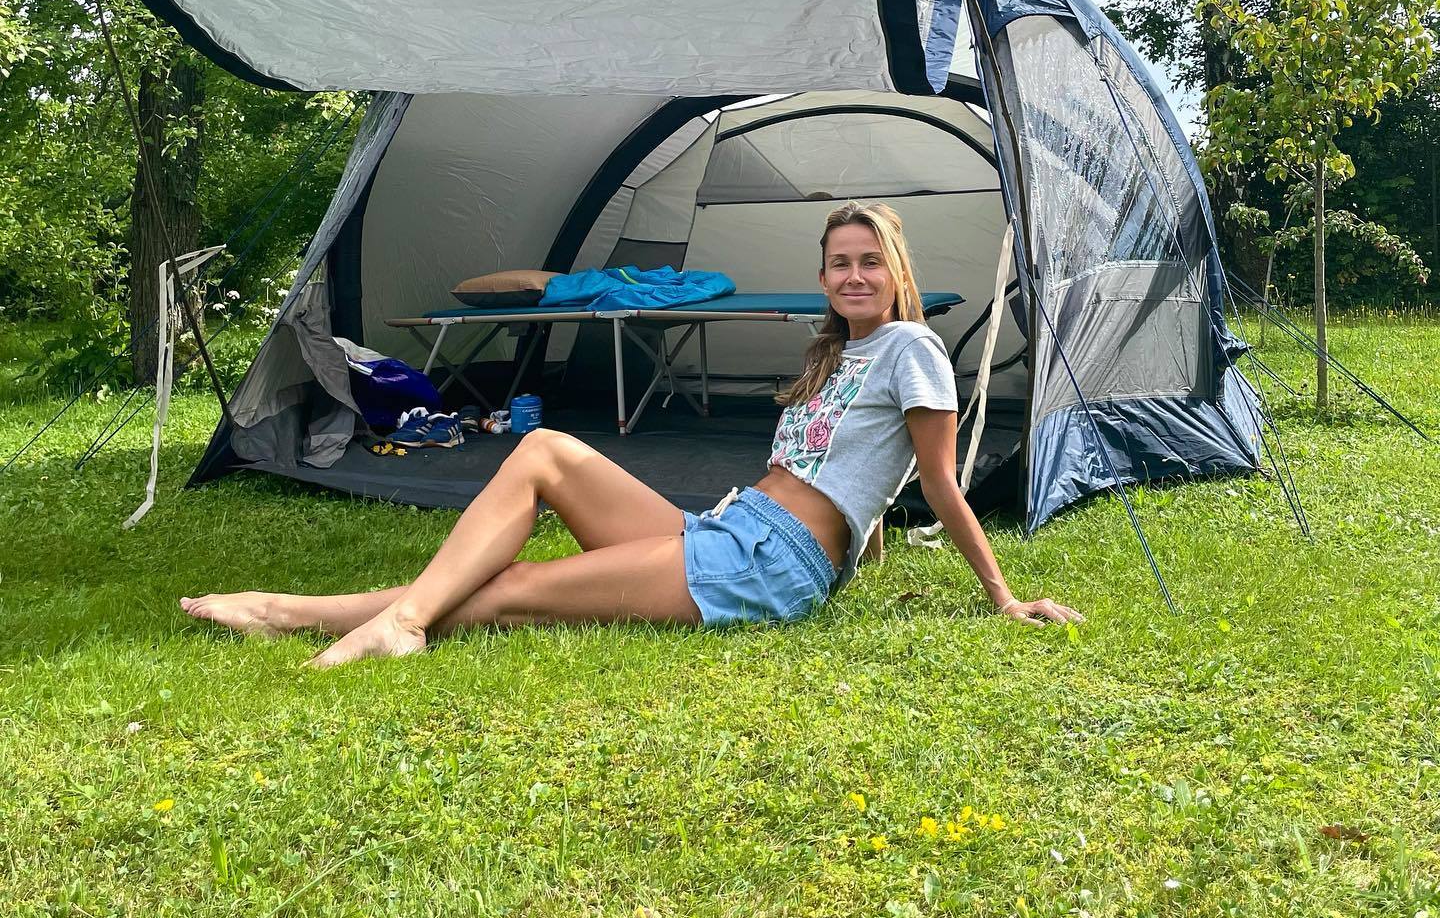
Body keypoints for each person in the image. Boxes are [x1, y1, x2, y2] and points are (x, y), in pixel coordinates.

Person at [181, 201, 1082, 665]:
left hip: (771, 564)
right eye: (838, 263)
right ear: (822, 276)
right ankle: (334, 616)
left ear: (896, 271)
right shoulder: (837, 354)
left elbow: (936, 481)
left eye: (869, 262)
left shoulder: (914, 347)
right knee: (543, 451)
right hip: (728, 529)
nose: (853, 276)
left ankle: (315, 615)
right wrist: (865, 537)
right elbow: (858, 469)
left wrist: (1002, 598)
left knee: (517, 587)